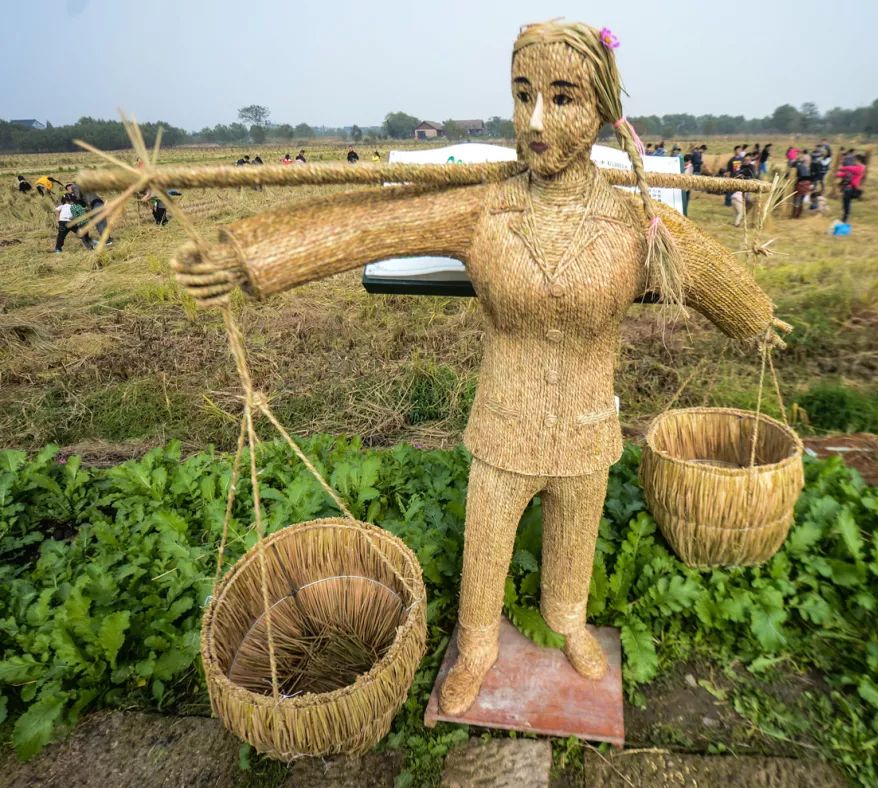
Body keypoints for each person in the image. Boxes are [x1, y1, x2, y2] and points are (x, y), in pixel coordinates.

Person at [174, 19, 781, 718]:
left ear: (605, 109)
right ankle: (478, 646)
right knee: (486, 545)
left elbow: (718, 282)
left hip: (587, 426)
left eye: (562, 98)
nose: (536, 121)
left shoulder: (634, 223)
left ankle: (570, 621)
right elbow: (365, 229)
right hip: (503, 426)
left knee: (575, 538)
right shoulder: (481, 209)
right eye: (523, 96)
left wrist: (759, 321)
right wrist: (246, 260)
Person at [836, 154, 867, 223]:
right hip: (848, 188)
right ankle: (844, 219)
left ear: (859, 160)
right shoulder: (857, 168)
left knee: (846, 205)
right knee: (845, 204)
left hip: (851, 189)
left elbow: (849, 168)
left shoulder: (860, 168)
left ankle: (844, 220)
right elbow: (847, 174)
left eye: (855, 160)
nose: (854, 162)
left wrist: (839, 168)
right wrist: (837, 174)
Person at [791, 152, 813, 218]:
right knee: (801, 199)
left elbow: (793, 167)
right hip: (807, 184)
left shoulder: (797, 166)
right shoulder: (805, 166)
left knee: (797, 199)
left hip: (801, 184)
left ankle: (794, 215)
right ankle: (799, 215)